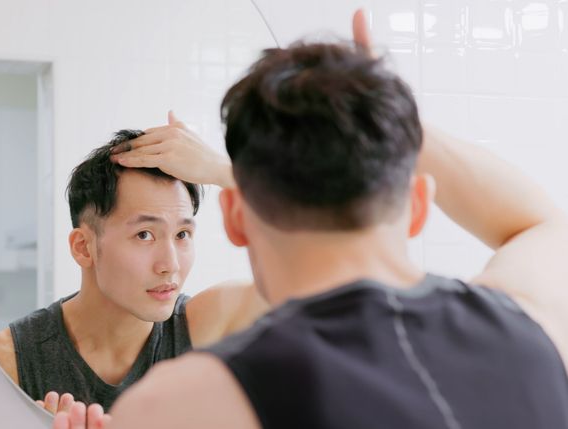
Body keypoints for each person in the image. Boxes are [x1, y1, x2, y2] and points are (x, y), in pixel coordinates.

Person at [52, 9, 568, 429]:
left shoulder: (184, 405)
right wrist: (384, 114)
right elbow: (538, 223)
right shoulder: (534, 330)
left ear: (235, 217)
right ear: (416, 206)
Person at [0, 126, 269, 412]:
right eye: (144, 235)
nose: (170, 265)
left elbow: (298, 282)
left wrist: (225, 172)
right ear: (83, 247)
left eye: (182, 234)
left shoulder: (207, 327)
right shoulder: (7, 362)